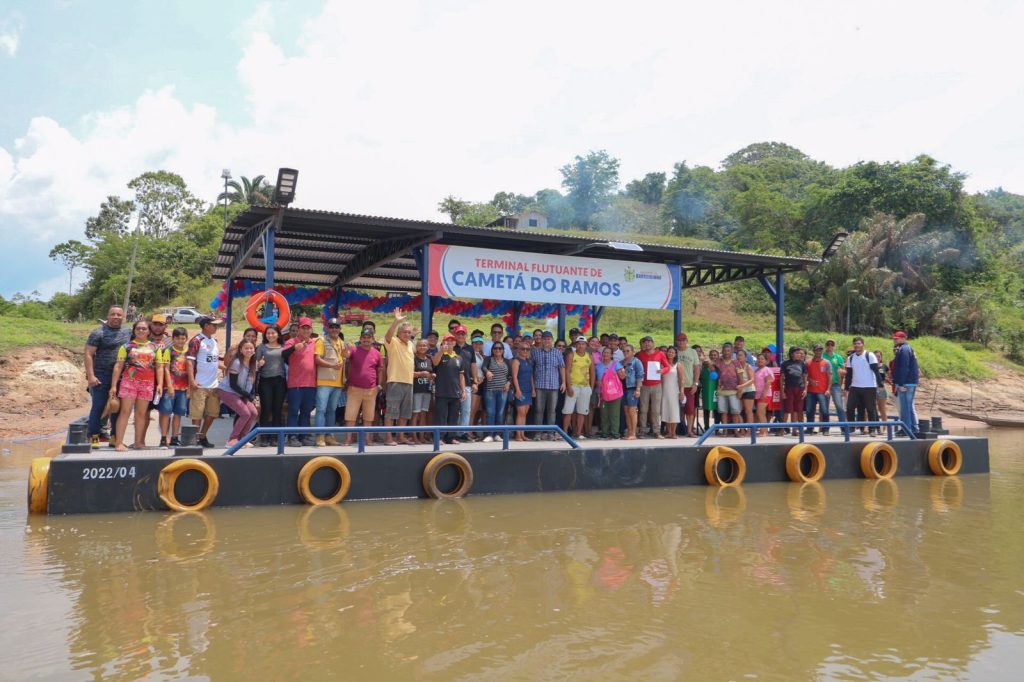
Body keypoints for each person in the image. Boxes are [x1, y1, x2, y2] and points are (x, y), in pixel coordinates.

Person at [110, 320, 163, 451]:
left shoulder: (155, 348)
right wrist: (113, 386)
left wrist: (160, 384)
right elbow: (118, 366)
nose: (141, 331)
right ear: (134, 330)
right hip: (129, 383)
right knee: (125, 412)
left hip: (147, 384)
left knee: (141, 414)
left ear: (149, 331)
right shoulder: (126, 346)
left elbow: (160, 367)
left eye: (144, 329)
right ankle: (119, 443)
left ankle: (138, 442)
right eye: (138, 328)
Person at [85, 305, 131, 448]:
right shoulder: (98, 333)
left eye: (119, 315)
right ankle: (93, 437)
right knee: (98, 407)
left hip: (122, 376)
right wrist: (91, 376)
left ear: (123, 317)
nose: (116, 317)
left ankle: (114, 438)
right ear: (108, 315)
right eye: (113, 314)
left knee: (116, 407)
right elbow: (88, 354)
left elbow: (144, 336)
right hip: (101, 375)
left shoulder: (128, 332)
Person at [342, 329, 385, 446]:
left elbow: (380, 369)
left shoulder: (377, 353)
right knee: (350, 416)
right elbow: (345, 355)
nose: (366, 340)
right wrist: (345, 349)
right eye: (364, 338)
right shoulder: (354, 349)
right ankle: (348, 439)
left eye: (368, 338)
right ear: (360, 339)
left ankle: (367, 439)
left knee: (368, 416)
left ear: (373, 339)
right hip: (354, 388)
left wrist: (379, 385)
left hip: (371, 390)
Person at [186, 315, 223, 449]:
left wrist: (227, 368)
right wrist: (192, 381)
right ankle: (194, 439)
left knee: (212, 413)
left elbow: (214, 360)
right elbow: (189, 361)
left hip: (214, 384)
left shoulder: (215, 340)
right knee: (197, 414)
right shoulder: (196, 340)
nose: (216, 327)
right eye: (214, 325)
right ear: (206, 326)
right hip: (200, 384)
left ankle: (202, 436)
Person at [281, 317, 318, 447]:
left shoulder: (314, 343)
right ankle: (292, 436)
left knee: (306, 412)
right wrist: (294, 348)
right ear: (299, 329)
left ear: (311, 329)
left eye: (308, 328)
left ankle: (303, 436)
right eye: (303, 328)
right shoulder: (291, 341)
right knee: (293, 411)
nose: (306, 330)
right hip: (295, 383)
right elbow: (283, 355)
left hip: (310, 384)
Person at [383, 310, 417, 446]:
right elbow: (387, 336)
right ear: (399, 333)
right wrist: (396, 321)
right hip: (395, 381)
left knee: (404, 413)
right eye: (405, 332)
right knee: (391, 412)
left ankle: (401, 437)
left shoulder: (410, 344)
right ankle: (388, 438)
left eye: (409, 332)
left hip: (409, 383)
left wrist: (414, 335)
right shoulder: (394, 342)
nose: (407, 334)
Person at [217, 339, 259, 447]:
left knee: (253, 413)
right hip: (227, 391)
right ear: (241, 350)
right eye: (246, 348)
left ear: (254, 350)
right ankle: (232, 440)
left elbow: (253, 382)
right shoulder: (236, 363)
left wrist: (253, 395)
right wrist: (249, 396)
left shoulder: (254, 363)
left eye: (251, 348)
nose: (249, 350)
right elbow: (233, 385)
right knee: (245, 413)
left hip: (241, 393)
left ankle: (243, 439)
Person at [313, 319, 346, 447]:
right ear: (327, 328)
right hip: (324, 381)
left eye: (336, 326)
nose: (334, 329)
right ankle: (319, 436)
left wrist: (347, 352)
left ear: (340, 328)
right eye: (331, 326)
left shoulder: (342, 342)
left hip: (338, 383)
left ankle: (330, 436)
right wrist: (332, 365)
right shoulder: (321, 341)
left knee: (332, 410)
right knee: (321, 410)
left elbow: (346, 357)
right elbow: (317, 359)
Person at [531, 331, 566, 441]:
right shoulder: (535, 352)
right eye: (545, 338)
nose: (546, 341)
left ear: (552, 340)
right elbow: (532, 369)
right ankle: (538, 433)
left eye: (548, 339)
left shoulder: (557, 352)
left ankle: (550, 433)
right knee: (539, 410)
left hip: (554, 386)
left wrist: (564, 382)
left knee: (552, 411)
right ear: (541, 340)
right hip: (540, 385)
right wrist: (533, 386)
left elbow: (562, 367)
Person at [160, 327, 191, 447]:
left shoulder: (188, 352)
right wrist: (169, 385)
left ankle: (174, 437)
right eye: (177, 338)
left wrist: (189, 387)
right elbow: (166, 369)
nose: (180, 341)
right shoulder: (169, 351)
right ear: (173, 339)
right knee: (166, 413)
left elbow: (190, 370)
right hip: (170, 388)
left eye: (183, 338)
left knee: (179, 414)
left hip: (183, 389)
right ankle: (163, 438)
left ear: (186, 339)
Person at [255, 325, 286, 446]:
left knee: (277, 410)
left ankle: (275, 437)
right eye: (268, 333)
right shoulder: (261, 347)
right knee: (266, 409)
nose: (270, 335)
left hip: (280, 381)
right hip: (265, 381)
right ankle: (264, 437)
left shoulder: (284, 347)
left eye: (273, 333)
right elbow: (255, 365)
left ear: (278, 334)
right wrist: (260, 364)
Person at [432, 334, 466, 444]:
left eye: (452, 341)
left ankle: (451, 437)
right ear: (443, 342)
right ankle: (439, 437)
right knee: (441, 416)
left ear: (455, 343)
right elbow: (435, 362)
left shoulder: (459, 358)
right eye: (447, 341)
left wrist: (464, 390)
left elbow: (461, 376)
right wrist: (441, 351)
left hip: (455, 392)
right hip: (442, 391)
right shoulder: (440, 355)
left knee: (454, 416)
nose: (450, 343)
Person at [844, 337, 880, 435]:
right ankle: (851, 428)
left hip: (869, 386)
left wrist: (880, 385)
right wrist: (846, 388)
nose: (857, 345)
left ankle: (872, 429)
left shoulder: (870, 355)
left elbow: (876, 371)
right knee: (850, 407)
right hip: (855, 387)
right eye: (855, 343)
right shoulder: (851, 358)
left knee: (870, 408)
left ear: (863, 344)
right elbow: (849, 375)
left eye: (859, 343)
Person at [636, 336, 670, 438]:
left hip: (656, 385)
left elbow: (667, 367)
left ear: (653, 343)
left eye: (649, 342)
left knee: (656, 410)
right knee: (643, 409)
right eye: (645, 343)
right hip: (644, 385)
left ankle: (656, 431)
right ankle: (642, 430)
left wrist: (662, 371)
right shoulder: (639, 355)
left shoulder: (660, 354)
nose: (647, 344)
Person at [563, 337, 596, 439]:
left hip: (585, 387)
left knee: (582, 411)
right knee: (568, 411)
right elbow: (567, 371)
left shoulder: (589, 356)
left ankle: (578, 433)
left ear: (586, 345)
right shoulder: (571, 355)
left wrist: (591, 387)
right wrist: (569, 387)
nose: (581, 346)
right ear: (575, 345)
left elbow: (592, 372)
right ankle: (564, 433)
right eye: (579, 344)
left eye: (583, 344)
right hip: (573, 386)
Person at [480, 340, 511, 442]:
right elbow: (483, 367)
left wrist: (508, 383)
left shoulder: (507, 361)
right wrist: (487, 372)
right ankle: (489, 434)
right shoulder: (489, 359)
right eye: (495, 348)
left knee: (500, 413)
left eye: (500, 348)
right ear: (492, 350)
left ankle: (497, 434)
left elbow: (510, 375)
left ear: (503, 350)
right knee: (490, 412)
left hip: (503, 391)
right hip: (490, 390)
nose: (498, 350)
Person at [714, 343, 747, 435]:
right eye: (724, 351)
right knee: (723, 412)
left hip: (734, 391)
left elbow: (740, 377)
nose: (726, 353)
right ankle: (724, 431)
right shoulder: (718, 362)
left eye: (728, 351)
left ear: (732, 352)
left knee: (735, 412)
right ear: (722, 352)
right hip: (721, 391)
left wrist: (740, 390)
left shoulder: (736, 363)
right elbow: (710, 365)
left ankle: (736, 431)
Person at [452, 325, 477, 441]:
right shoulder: (452, 347)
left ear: (466, 335)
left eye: (463, 334)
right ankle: (454, 433)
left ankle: (463, 432)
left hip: (467, 383)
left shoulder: (470, 348)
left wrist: (475, 381)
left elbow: (473, 365)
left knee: (466, 410)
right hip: (454, 384)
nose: (461, 336)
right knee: (455, 410)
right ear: (455, 335)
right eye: (458, 334)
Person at [891, 331, 919, 432]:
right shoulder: (908, 349)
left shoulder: (904, 349)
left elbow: (903, 367)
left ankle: (906, 430)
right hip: (910, 381)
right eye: (894, 338)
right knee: (909, 407)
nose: (895, 340)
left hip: (906, 383)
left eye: (897, 338)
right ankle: (914, 429)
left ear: (903, 338)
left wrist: (901, 383)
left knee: (905, 408)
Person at [595, 347, 624, 438]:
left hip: (614, 393)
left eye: (608, 353)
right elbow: (594, 379)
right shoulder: (598, 366)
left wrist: (620, 372)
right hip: (602, 393)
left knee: (614, 414)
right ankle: (605, 433)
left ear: (611, 355)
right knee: (604, 414)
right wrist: (597, 382)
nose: (606, 354)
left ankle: (615, 433)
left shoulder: (616, 364)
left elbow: (622, 377)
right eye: (604, 353)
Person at [675, 333, 700, 437]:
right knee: (677, 409)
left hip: (689, 385)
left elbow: (697, 368)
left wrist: (695, 383)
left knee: (690, 409)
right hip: (675, 385)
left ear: (687, 341)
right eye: (679, 340)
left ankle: (689, 430)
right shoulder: (674, 352)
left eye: (683, 340)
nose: (681, 342)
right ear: (677, 341)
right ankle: (678, 429)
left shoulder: (692, 352)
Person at [805, 344, 832, 435]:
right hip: (811, 391)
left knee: (824, 410)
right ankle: (809, 428)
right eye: (817, 350)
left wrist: (828, 389)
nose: (818, 352)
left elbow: (830, 376)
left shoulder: (827, 362)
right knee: (809, 411)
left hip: (823, 391)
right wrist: (810, 380)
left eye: (820, 350)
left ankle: (825, 429)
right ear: (813, 351)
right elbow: (805, 376)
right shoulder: (807, 362)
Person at [658, 346, 684, 439]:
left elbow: (681, 380)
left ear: (675, 354)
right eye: (669, 352)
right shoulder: (662, 365)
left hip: (674, 390)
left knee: (674, 411)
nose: (670, 354)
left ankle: (674, 432)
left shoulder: (678, 365)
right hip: (664, 390)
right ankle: (669, 432)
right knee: (666, 410)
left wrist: (682, 391)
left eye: (672, 352)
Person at [780, 348, 807, 435]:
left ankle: (794, 429)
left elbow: (805, 377)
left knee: (797, 409)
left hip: (799, 388)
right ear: (792, 354)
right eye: (797, 353)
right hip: (789, 388)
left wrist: (805, 389)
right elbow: (781, 378)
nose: (799, 355)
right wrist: (782, 391)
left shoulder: (802, 363)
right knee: (787, 410)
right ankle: (782, 429)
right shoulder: (785, 363)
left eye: (800, 353)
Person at [411, 340, 434, 444]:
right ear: (417, 347)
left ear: (428, 347)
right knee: (416, 414)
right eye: (420, 345)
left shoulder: (429, 359)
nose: (422, 347)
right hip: (417, 389)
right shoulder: (413, 358)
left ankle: (421, 436)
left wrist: (432, 376)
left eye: (424, 345)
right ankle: (414, 436)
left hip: (427, 389)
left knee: (424, 413)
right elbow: (409, 373)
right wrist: (421, 373)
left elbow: (432, 372)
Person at [510, 344, 534, 441]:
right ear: (519, 350)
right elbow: (514, 377)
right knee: (520, 412)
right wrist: (518, 390)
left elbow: (531, 376)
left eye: (527, 349)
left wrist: (533, 389)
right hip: (521, 389)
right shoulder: (516, 361)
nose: (525, 351)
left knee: (525, 413)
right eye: (523, 349)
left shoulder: (528, 361)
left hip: (528, 389)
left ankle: (522, 434)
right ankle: (518, 435)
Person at [620, 344, 643, 439]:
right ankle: (629, 432)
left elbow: (640, 376)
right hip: (623, 389)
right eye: (624, 351)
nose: (625, 353)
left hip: (632, 388)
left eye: (628, 351)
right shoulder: (621, 362)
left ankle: (633, 433)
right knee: (626, 411)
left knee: (632, 411)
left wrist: (638, 389)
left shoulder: (636, 362)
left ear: (633, 352)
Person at [823, 339, 847, 424]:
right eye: (828, 344)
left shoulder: (838, 357)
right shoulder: (822, 356)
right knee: (824, 407)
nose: (830, 346)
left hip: (835, 384)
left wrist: (841, 371)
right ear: (825, 345)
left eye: (832, 344)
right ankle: (824, 427)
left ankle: (843, 427)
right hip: (824, 385)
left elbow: (844, 371)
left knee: (839, 406)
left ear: (834, 346)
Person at [736, 349, 757, 433]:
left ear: (745, 357)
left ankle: (750, 431)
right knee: (738, 411)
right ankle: (742, 430)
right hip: (739, 391)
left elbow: (752, 380)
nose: (739, 357)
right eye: (738, 355)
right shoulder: (736, 366)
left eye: (741, 355)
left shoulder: (748, 366)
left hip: (749, 390)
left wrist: (742, 386)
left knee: (748, 411)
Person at [753, 352, 774, 436]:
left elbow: (768, 381)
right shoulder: (757, 370)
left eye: (762, 359)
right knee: (760, 413)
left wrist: (764, 394)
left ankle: (763, 431)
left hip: (764, 394)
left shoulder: (766, 369)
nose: (760, 360)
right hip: (757, 395)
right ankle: (764, 430)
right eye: (758, 359)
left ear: (766, 361)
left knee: (760, 412)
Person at [700, 349, 720, 433]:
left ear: (718, 356)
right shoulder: (704, 367)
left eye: (715, 355)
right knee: (706, 409)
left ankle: (717, 428)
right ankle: (706, 428)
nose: (713, 356)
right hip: (706, 390)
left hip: (716, 390)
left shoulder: (719, 367)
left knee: (716, 410)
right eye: (711, 355)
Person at [874, 349, 889, 425]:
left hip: (881, 388)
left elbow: (890, 376)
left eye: (879, 356)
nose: (877, 358)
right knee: (869, 409)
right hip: (871, 388)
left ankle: (884, 427)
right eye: (876, 356)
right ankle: (867, 426)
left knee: (882, 409)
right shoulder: (871, 366)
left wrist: (887, 380)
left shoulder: (884, 366)